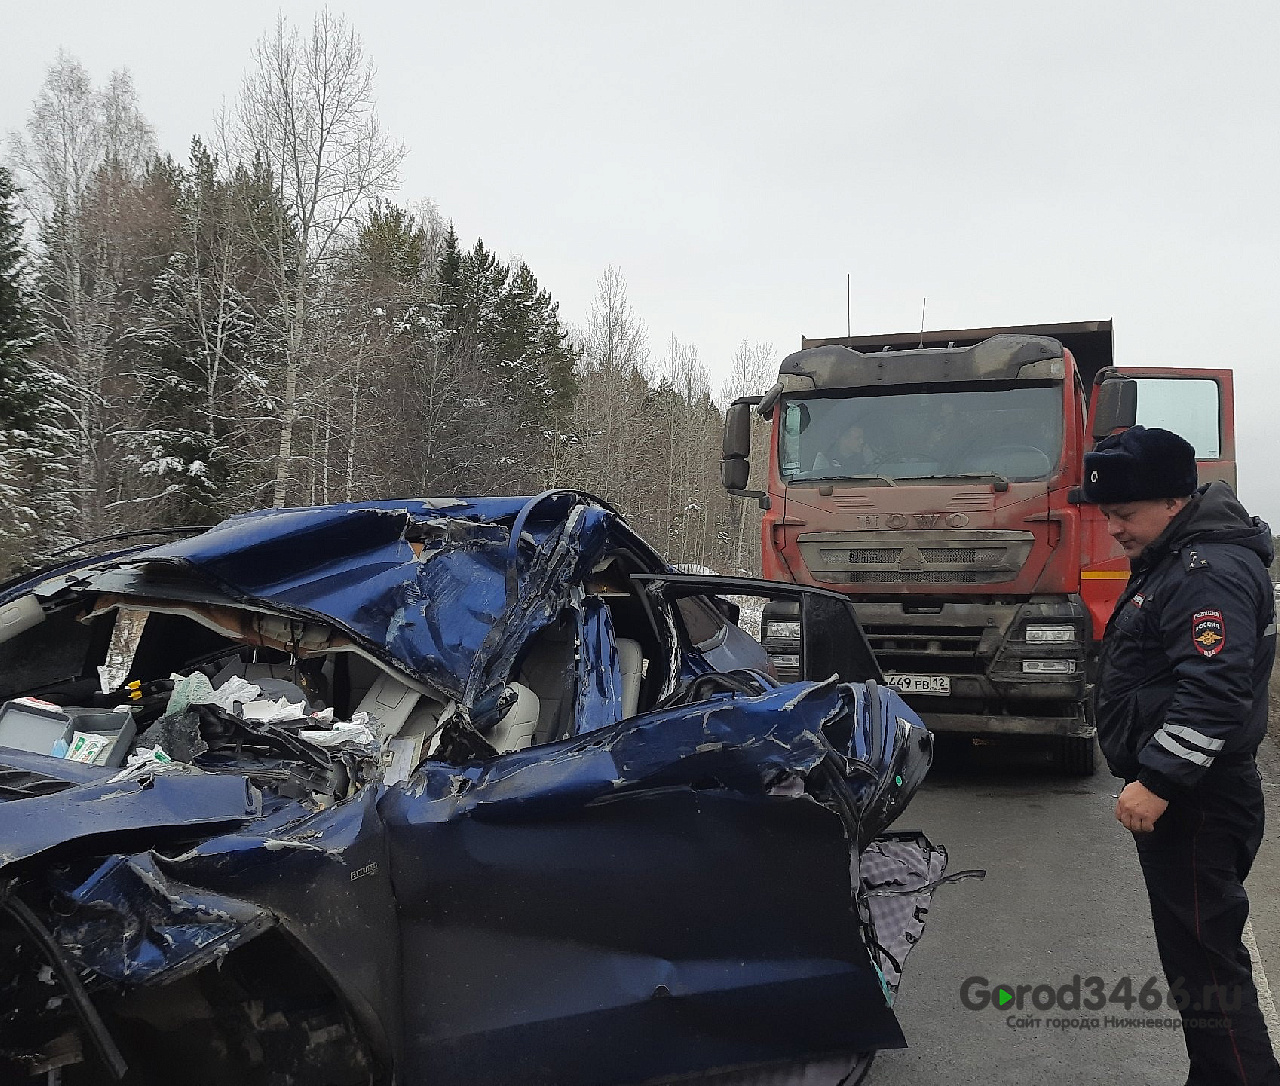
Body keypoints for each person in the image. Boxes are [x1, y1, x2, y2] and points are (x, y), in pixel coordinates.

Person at [1085, 425, 1280, 1085]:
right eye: (1107, 513)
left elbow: (1215, 693)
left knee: (1208, 966)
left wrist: (1159, 781)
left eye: (1124, 513)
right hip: (1198, 794)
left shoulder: (1207, 570)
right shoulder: (1182, 558)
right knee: (1198, 961)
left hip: (1198, 798)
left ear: (1174, 501)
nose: (1113, 527)